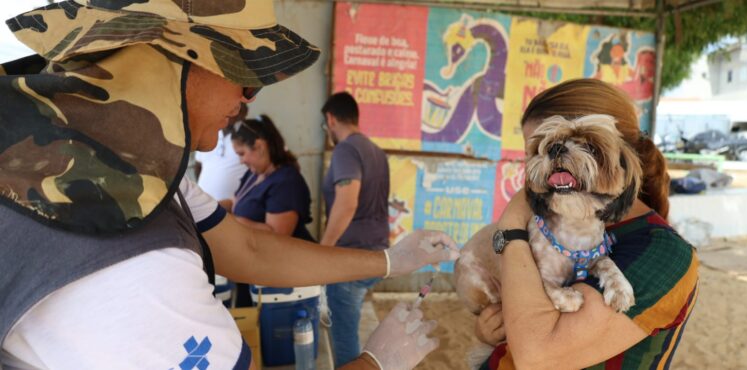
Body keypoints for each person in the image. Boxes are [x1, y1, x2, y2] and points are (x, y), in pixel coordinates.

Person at [0, 1, 459, 369]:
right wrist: (379, 361)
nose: (247, 100)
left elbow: (247, 249)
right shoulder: (129, 258)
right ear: (175, 60)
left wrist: (388, 260)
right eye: (245, 75)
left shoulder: (126, 168)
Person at [474, 79, 699, 369]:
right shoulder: (545, 224)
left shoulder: (665, 255)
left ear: (622, 156)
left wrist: (511, 226)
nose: (551, 162)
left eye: (586, 147)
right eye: (539, 151)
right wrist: (486, 331)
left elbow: (535, 356)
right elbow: (515, 315)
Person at [319, 92, 391, 367]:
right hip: (375, 253)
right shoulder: (375, 151)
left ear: (331, 119)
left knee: (344, 337)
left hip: (350, 258)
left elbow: (347, 203)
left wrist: (323, 251)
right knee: (351, 321)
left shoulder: (346, 149)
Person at [224, 114, 316, 306]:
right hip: (254, 272)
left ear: (260, 146)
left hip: (280, 283)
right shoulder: (253, 174)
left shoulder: (286, 182)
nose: (241, 161)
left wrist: (227, 222)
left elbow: (277, 234)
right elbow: (235, 202)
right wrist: (203, 208)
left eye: (242, 153)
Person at [194, 103, 248, 201]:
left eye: (236, 109)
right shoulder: (209, 134)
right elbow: (198, 165)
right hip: (203, 206)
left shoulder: (249, 135)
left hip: (234, 209)